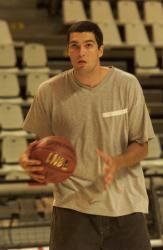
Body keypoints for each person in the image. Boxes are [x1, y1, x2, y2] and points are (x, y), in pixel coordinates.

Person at [20, 21, 155, 250]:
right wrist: (28, 159)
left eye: (88, 45)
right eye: (74, 46)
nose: (81, 51)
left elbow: (141, 146)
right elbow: (41, 146)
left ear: (100, 50)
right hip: (73, 209)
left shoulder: (127, 85)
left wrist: (117, 162)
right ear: (68, 51)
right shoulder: (49, 91)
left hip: (126, 206)